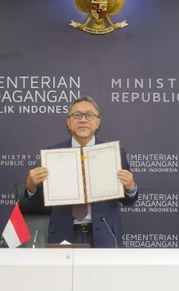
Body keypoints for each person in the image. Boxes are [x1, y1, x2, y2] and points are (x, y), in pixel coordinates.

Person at [25, 96, 138, 248]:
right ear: (68, 122)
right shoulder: (51, 155)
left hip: (105, 235)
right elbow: (39, 204)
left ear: (98, 122)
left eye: (89, 115)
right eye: (77, 115)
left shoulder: (115, 153)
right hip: (63, 234)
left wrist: (130, 187)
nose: (83, 120)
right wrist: (31, 187)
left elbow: (129, 200)